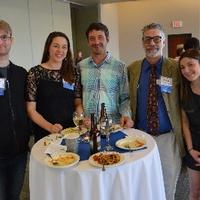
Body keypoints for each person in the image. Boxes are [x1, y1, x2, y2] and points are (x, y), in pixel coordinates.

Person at [127, 23, 185, 200]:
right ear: (142, 42)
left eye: (156, 38)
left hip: (167, 137)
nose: (152, 43)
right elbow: (126, 99)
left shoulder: (175, 68)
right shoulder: (132, 69)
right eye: (147, 39)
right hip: (140, 138)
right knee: (141, 182)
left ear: (164, 42)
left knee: (167, 182)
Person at [75, 22, 133, 128]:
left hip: (113, 125)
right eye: (92, 38)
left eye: (100, 37)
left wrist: (126, 115)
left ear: (107, 39)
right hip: (88, 126)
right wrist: (81, 116)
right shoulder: (80, 66)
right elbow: (77, 96)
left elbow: (125, 98)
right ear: (88, 42)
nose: (96, 42)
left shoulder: (119, 66)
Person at [26, 31, 76, 141]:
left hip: (71, 133)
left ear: (68, 51)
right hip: (46, 133)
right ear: (48, 48)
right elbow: (31, 110)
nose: (60, 50)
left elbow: (78, 103)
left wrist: (81, 119)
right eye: (56, 46)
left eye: (64, 47)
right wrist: (50, 127)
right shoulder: (35, 73)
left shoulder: (73, 72)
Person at [0, 19, 30, 200]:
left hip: (19, 151)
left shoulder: (21, 73)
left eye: (4, 37)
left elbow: (28, 106)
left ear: (11, 40)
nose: (1, 42)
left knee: (14, 195)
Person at [179, 49, 200, 200]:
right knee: (194, 192)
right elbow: (185, 122)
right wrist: (191, 149)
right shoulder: (183, 90)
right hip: (194, 149)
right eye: (182, 67)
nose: (186, 70)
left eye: (190, 64)